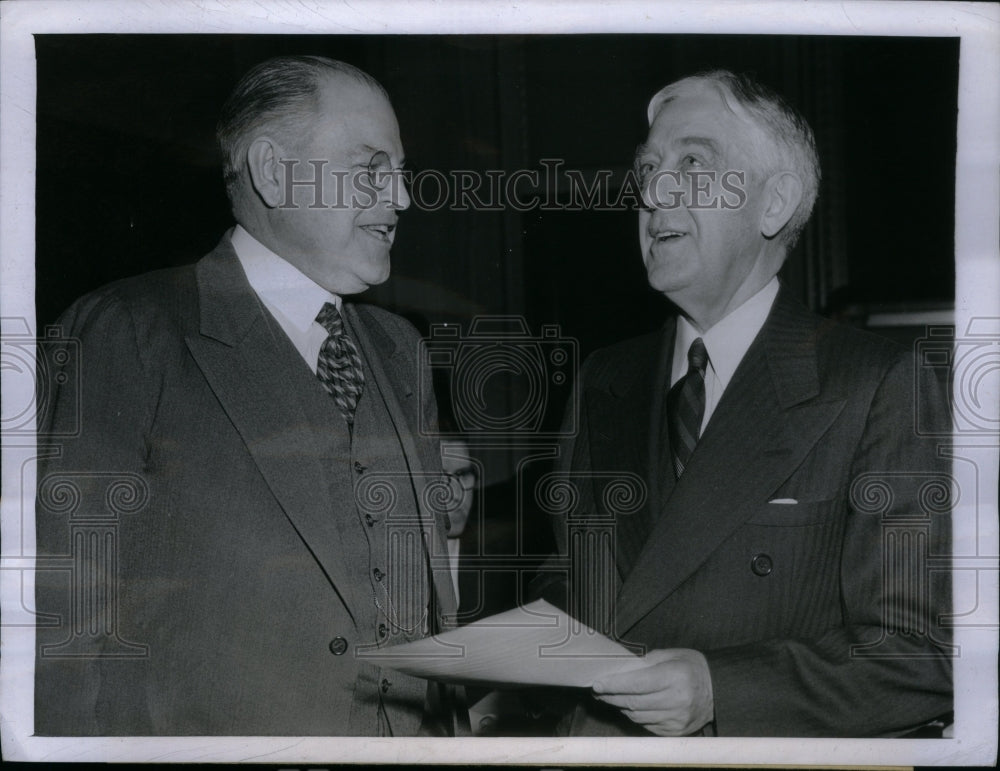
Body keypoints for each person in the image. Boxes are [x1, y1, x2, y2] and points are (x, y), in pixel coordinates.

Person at [34, 55, 460, 736]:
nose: (402, 198)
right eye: (371, 168)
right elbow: (64, 623)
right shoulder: (128, 328)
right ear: (272, 170)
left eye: (400, 172)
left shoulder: (398, 349)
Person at [532, 70, 952, 737]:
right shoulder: (604, 379)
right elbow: (572, 588)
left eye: (692, 163)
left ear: (773, 204)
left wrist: (720, 687)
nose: (655, 191)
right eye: (648, 168)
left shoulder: (875, 384)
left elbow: (914, 653)